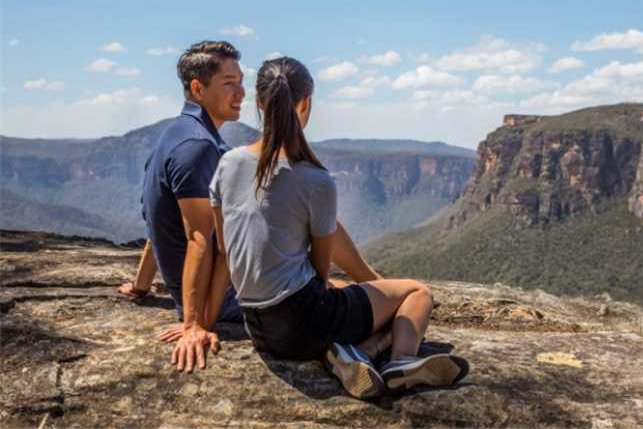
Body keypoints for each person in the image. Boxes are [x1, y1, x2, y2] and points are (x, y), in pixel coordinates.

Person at [203, 56, 469, 399]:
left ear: (258, 101)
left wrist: (199, 323)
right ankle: (399, 361)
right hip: (305, 324)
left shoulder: (228, 163)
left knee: (352, 291)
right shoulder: (315, 180)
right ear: (307, 103)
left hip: (257, 325)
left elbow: (225, 250)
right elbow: (320, 271)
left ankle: (350, 353)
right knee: (416, 295)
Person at [123, 41, 383, 350]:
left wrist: (141, 287)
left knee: (305, 208)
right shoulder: (199, 147)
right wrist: (193, 324)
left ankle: (371, 282)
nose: (241, 93)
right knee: (362, 297)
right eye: (229, 83)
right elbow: (198, 237)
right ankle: (373, 293)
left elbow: (159, 223)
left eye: (242, 82)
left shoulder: (177, 135)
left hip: (230, 283)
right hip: (227, 298)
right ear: (198, 89)